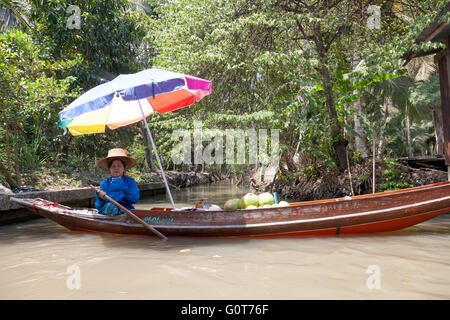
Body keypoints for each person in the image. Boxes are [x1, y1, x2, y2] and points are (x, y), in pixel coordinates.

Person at [94, 148, 140, 215]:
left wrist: (124, 188)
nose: (116, 168)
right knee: (110, 206)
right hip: (108, 211)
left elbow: (134, 199)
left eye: (119, 166)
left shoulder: (130, 181)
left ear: (124, 168)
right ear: (109, 169)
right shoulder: (104, 184)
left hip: (126, 211)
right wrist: (100, 198)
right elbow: (98, 206)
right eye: (113, 166)